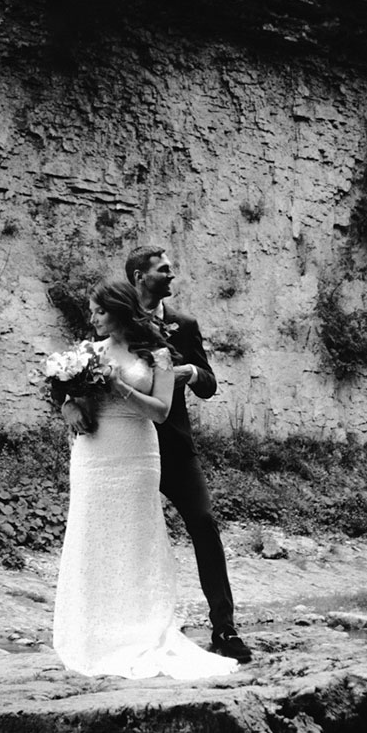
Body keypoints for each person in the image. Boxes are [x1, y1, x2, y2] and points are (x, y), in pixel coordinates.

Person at [52, 278, 239, 681]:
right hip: (94, 454)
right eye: (92, 311)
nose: (93, 318)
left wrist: (121, 389)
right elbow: (67, 394)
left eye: (99, 311)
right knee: (92, 535)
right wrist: (68, 405)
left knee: (136, 537)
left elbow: (160, 411)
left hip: (137, 452)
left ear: (119, 310)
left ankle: (140, 629)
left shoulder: (159, 355)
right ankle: (91, 632)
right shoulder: (88, 353)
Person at [126, 245, 252, 663]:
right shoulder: (116, 318)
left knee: (204, 523)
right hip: (127, 446)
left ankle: (224, 625)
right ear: (139, 277)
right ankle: (134, 627)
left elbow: (209, 384)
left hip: (175, 446)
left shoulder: (185, 324)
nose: (172, 275)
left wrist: (191, 372)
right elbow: (86, 368)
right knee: (132, 537)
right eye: (164, 270)